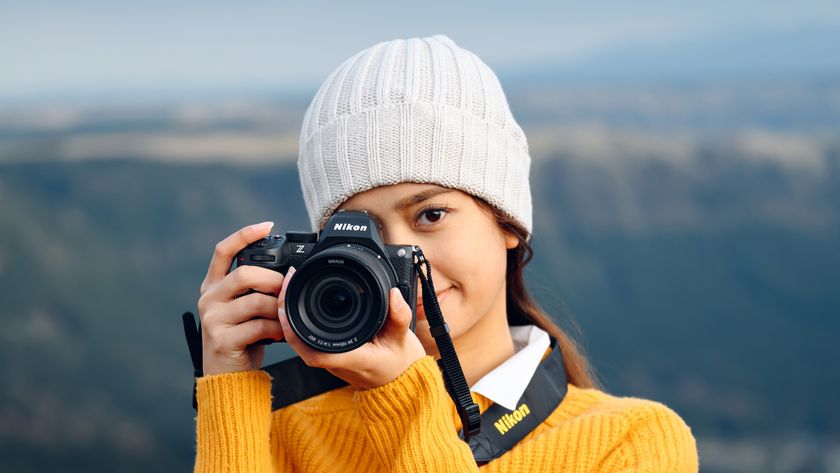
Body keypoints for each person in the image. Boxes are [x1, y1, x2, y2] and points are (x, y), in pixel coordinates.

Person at [193, 34, 699, 472]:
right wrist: (229, 391)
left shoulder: (630, 442)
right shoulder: (280, 430)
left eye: (430, 215)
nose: (401, 256)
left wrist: (403, 398)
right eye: (363, 235)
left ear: (507, 224)